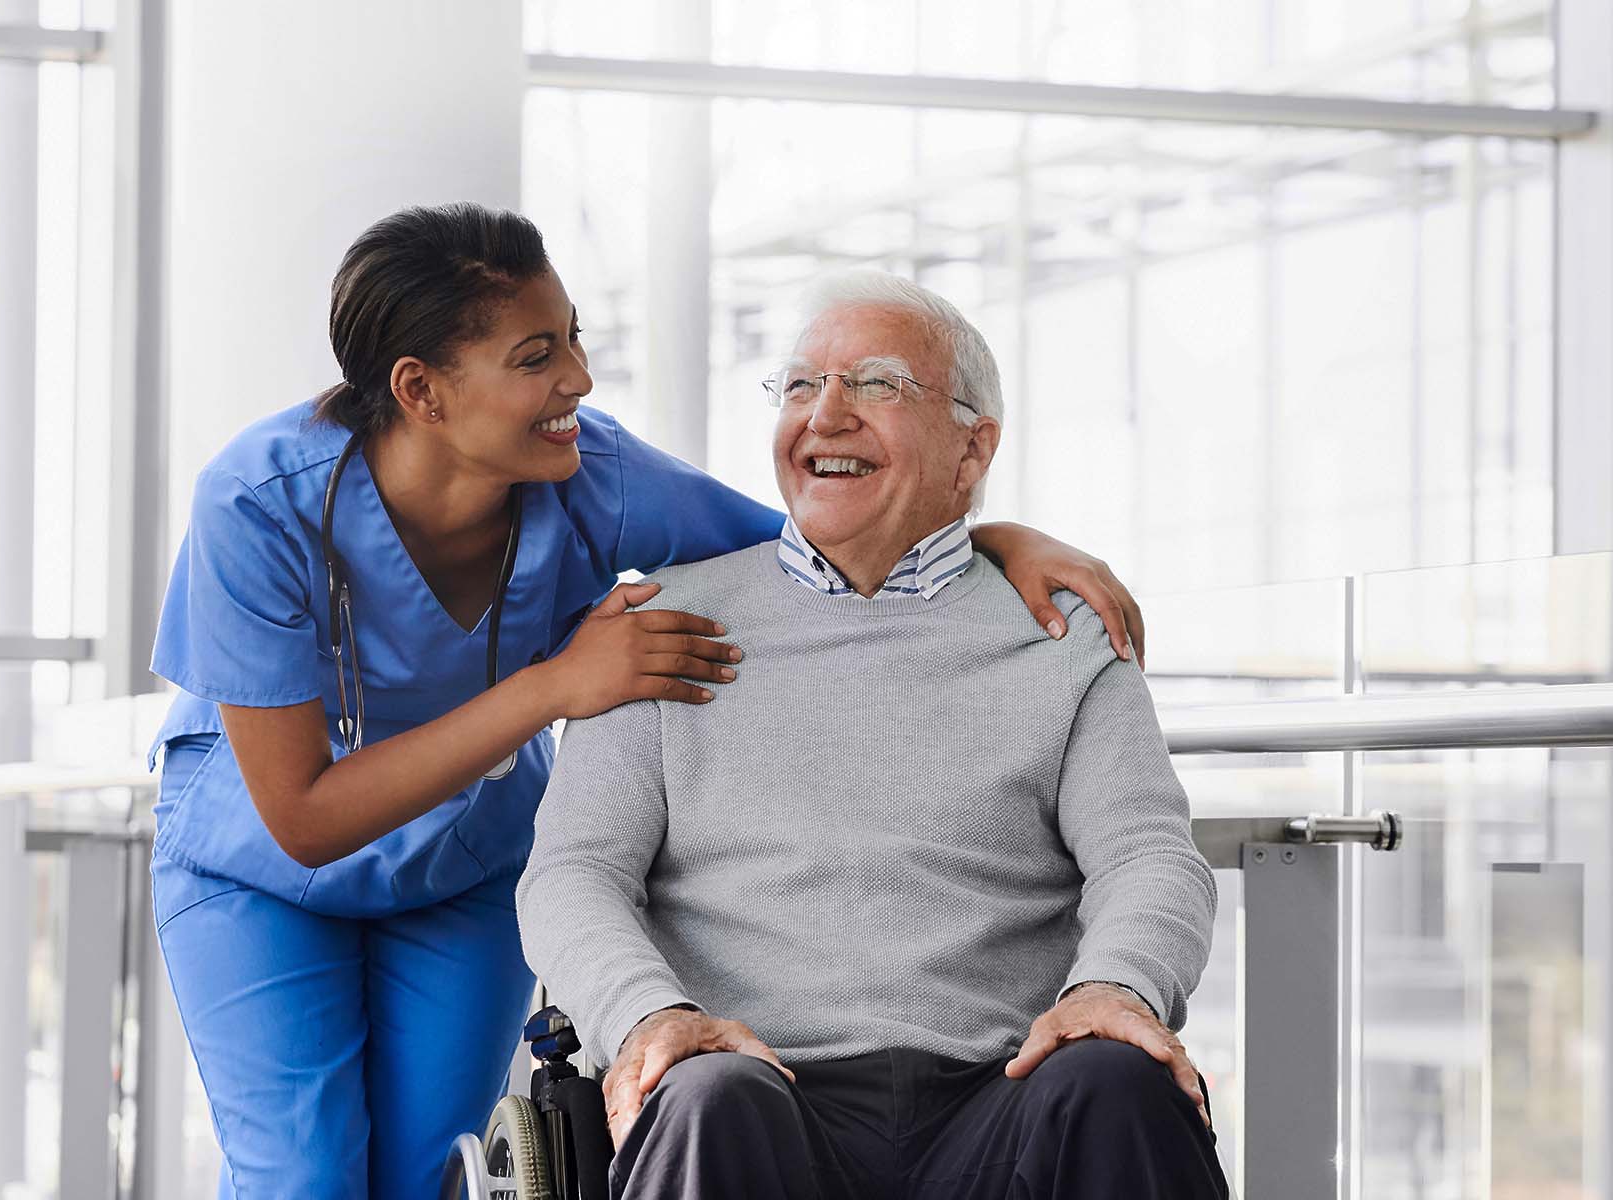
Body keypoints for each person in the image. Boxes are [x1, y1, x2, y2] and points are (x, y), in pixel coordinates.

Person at [146, 204, 1149, 1198]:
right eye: (536, 355)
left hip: (456, 864)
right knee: (304, 1176)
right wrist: (554, 687)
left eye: (574, 337)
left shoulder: (596, 474)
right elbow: (304, 820)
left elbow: (833, 531)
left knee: (425, 1178)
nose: (577, 378)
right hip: (262, 869)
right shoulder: (258, 505)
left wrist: (996, 537)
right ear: (423, 390)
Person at [518, 270, 1225, 1199]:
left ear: (972, 452)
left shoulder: (1063, 637)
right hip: (754, 1084)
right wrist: (650, 1016)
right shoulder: (660, 626)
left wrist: (1117, 988)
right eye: (802, 385)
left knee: (1115, 1078)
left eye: (878, 383)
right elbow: (572, 873)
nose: (827, 414)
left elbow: (1149, 857)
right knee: (705, 1100)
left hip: (1002, 1090)